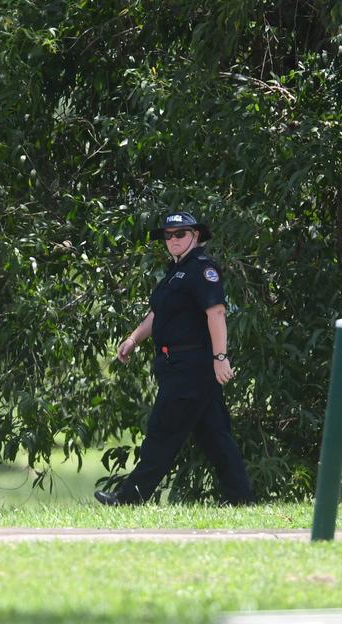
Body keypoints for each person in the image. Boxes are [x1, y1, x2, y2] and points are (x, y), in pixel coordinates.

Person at [95, 211, 255, 505]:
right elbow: (159, 314)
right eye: (168, 235)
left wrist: (221, 357)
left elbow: (216, 312)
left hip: (191, 366)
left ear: (196, 236)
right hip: (176, 366)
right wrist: (133, 338)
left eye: (180, 234)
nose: (173, 240)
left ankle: (129, 499)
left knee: (162, 432)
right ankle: (241, 499)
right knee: (216, 436)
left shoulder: (202, 269)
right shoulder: (175, 272)